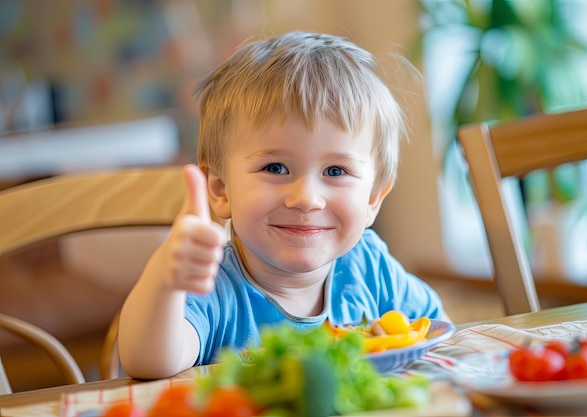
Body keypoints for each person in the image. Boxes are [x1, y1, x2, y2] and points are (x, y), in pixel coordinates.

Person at [118, 30, 449, 380]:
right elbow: (148, 361)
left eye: (335, 170)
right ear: (221, 190)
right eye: (275, 168)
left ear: (372, 199)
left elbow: (436, 336)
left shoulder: (370, 268)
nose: (306, 198)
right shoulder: (213, 288)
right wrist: (165, 279)